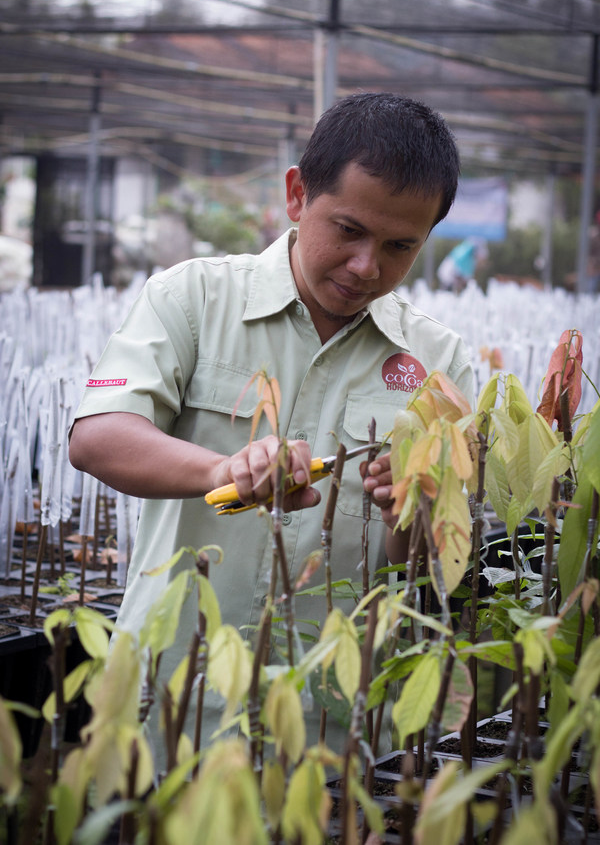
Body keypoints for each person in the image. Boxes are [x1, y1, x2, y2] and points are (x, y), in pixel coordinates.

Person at [69, 92, 473, 760]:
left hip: (332, 733)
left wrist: (413, 506)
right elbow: (99, 435)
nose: (367, 265)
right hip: (171, 704)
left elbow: (434, 569)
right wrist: (219, 470)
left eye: (401, 245)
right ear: (295, 194)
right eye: (348, 230)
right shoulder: (192, 297)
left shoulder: (439, 363)